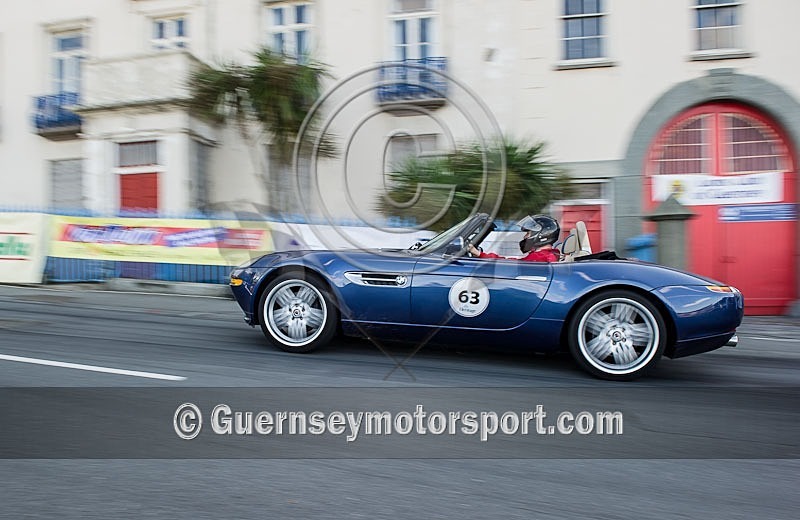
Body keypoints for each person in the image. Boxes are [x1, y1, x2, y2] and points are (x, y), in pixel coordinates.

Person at [468, 214, 561, 262]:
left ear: (541, 235)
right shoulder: (550, 255)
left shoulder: (540, 258)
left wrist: (479, 253)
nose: (525, 237)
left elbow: (506, 265)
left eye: (528, 233)